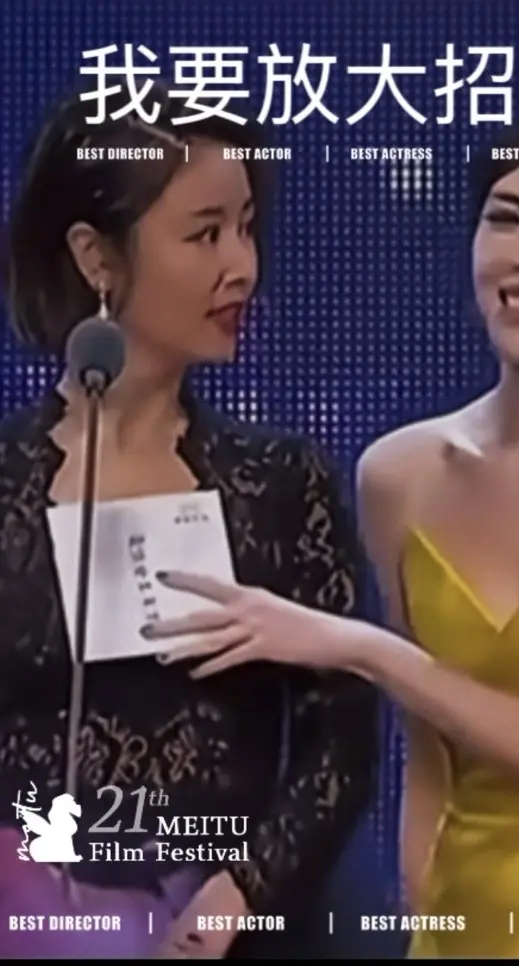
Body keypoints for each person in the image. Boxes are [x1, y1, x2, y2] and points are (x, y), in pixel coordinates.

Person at [144, 94, 519, 958]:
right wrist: (429, 917)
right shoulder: (400, 474)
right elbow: (433, 763)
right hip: (471, 914)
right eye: (507, 216)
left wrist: (363, 649)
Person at [0, 81, 379, 959]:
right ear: (98, 258)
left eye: (247, 227)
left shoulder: (280, 484)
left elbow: (342, 744)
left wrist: (243, 890)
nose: (242, 265)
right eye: (206, 234)